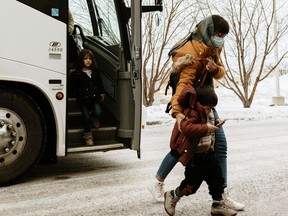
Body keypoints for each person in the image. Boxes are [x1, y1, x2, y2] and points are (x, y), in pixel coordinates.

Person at [148, 14, 244, 211]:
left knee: (218, 146)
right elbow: (183, 84)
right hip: (191, 104)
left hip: (206, 101)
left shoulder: (213, 47)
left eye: (224, 35)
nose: (221, 38)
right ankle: (158, 183)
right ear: (208, 31)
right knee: (183, 147)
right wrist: (177, 111)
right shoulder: (191, 51)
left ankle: (220, 196)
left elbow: (221, 71)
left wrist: (214, 68)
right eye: (219, 33)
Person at [163, 85, 237, 216]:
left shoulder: (208, 113)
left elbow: (209, 122)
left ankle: (217, 204)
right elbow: (186, 128)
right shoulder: (192, 114)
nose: (210, 111)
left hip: (208, 153)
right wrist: (205, 128)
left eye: (212, 109)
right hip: (195, 159)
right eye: (208, 108)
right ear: (199, 104)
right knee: (190, 186)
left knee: (217, 179)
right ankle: (173, 195)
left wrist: (216, 122)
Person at [70, 49, 106, 145]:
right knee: (86, 118)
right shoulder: (76, 74)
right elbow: (72, 88)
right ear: (81, 60)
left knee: (99, 112)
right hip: (83, 100)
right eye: (85, 58)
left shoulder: (95, 72)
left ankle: (94, 118)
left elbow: (100, 84)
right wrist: (78, 94)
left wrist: (102, 93)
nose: (88, 60)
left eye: (90, 58)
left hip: (94, 98)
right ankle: (88, 137)